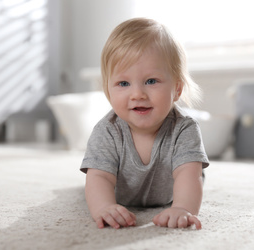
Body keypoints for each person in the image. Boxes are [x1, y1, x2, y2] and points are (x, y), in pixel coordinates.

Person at [80, 18, 209, 229]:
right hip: (121, 195)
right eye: (123, 83)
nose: (137, 94)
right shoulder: (108, 131)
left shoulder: (184, 129)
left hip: (168, 196)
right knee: (91, 187)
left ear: (176, 89)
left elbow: (189, 174)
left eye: (151, 81)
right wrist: (104, 206)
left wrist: (183, 208)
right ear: (108, 91)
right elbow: (99, 177)